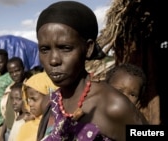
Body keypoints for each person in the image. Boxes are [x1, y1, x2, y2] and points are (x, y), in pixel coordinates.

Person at [35, 1, 148, 141]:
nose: (53, 60)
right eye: (44, 49)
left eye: (65, 48)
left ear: (88, 48)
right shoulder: (50, 103)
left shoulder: (113, 106)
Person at [15, 72, 58, 141]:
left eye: (34, 99)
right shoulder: (25, 128)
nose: (30, 103)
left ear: (49, 98)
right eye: (28, 99)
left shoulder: (57, 128)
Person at [0, 57, 28, 141]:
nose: (14, 74)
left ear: (23, 69)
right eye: (11, 72)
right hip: (8, 132)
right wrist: (2, 134)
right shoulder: (10, 89)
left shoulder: (28, 89)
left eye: (17, 71)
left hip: (20, 132)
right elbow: (7, 114)